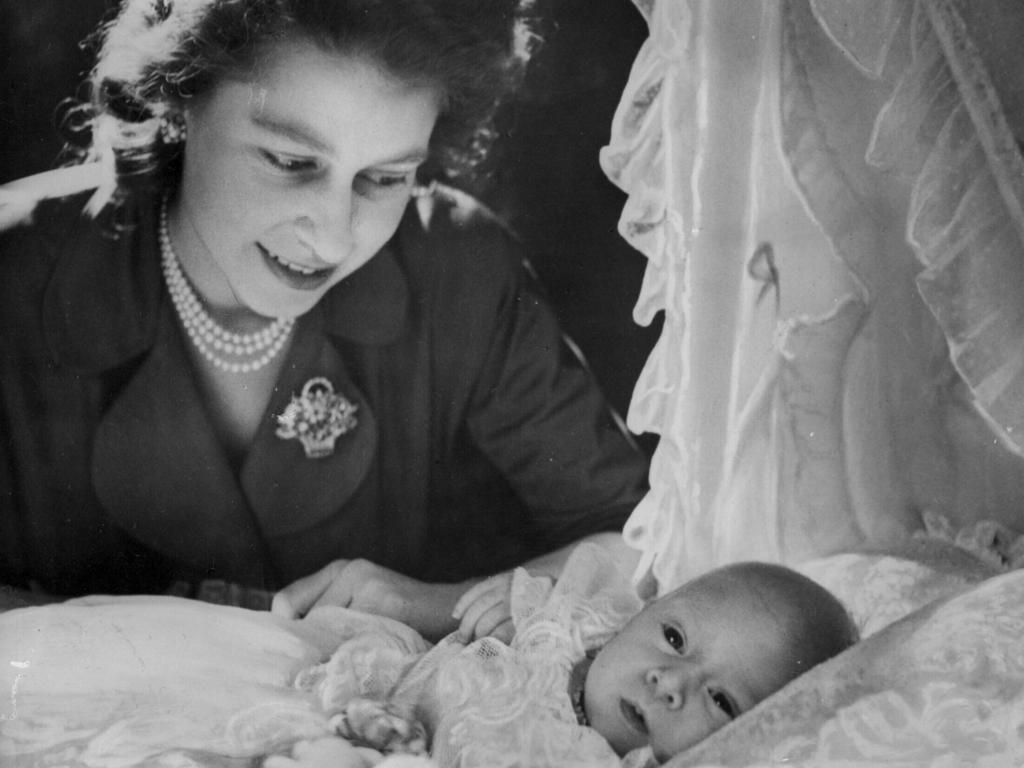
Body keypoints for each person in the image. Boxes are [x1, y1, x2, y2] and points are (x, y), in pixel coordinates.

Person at [0, 0, 649, 639]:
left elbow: (648, 543)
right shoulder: (15, 270)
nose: (335, 237)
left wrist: (440, 605)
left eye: (386, 178)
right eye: (290, 162)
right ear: (182, 99)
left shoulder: (462, 272)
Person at [268, 543, 859, 767]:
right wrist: (503, 608)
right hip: (390, 719)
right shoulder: (571, 627)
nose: (669, 681)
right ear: (640, 614)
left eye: (723, 700)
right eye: (674, 639)